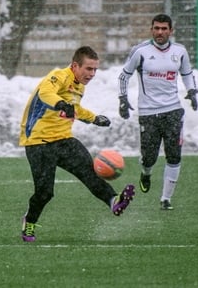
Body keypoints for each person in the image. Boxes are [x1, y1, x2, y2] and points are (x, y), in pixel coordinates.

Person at [19, 46, 135, 242]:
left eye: (95, 69)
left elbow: (75, 109)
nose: (92, 74)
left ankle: (114, 201)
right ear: (75, 65)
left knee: (90, 173)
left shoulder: (79, 85)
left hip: (64, 139)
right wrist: (60, 104)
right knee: (45, 193)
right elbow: (46, 93)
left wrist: (94, 118)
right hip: (39, 141)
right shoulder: (59, 75)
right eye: (88, 69)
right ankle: (29, 223)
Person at [118, 13, 198, 210]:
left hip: (173, 111)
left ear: (171, 30)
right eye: (156, 28)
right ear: (151, 29)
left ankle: (166, 199)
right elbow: (123, 76)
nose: (160, 32)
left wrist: (192, 91)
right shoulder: (140, 52)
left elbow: (187, 74)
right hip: (148, 113)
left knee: (174, 155)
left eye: (164, 29)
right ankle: (146, 173)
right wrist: (122, 99)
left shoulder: (180, 51)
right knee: (149, 157)